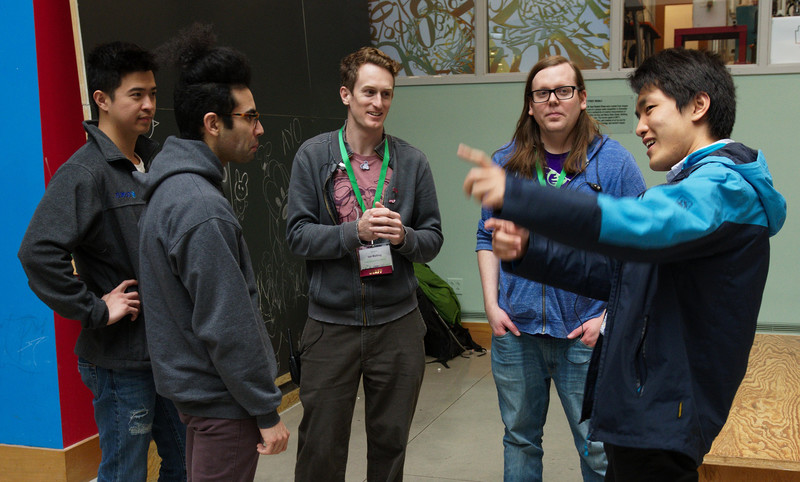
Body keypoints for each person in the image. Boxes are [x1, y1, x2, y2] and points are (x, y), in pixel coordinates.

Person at [461, 48, 786, 481]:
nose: (640, 128)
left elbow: (640, 224)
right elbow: (624, 276)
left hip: (665, 410)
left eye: (649, 109)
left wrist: (520, 195)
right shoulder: (697, 184)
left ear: (698, 105)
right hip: (646, 409)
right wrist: (530, 253)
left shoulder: (723, 188)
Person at [18, 41, 186, 481]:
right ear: (102, 100)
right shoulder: (85, 172)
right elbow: (37, 251)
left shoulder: (156, 160)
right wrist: (95, 309)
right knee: (125, 472)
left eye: (152, 92)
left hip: (168, 353)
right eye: (136, 94)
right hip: (120, 362)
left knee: (187, 464)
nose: (149, 104)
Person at [476, 55, 646, 482]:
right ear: (530, 105)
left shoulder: (614, 164)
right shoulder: (505, 164)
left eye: (564, 90)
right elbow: (487, 238)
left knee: (598, 449)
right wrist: (491, 305)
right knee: (519, 440)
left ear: (582, 99)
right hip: (517, 334)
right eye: (541, 92)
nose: (553, 100)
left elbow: (639, 248)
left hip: (584, 336)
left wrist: (607, 318)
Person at [136, 25, 289, 482]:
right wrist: (265, 409)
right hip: (223, 405)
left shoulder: (169, 190)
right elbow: (227, 324)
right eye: (251, 117)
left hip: (200, 400)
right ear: (213, 123)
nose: (260, 128)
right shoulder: (201, 208)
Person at [286, 46, 443, 482]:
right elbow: (296, 235)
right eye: (368, 92)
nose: (378, 103)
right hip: (330, 325)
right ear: (346, 95)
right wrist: (353, 232)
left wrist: (404, 237)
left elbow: (432, 239)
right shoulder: (312, 157)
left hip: (397, 325)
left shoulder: (411, 162)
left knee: (391, 445)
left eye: (387, 94)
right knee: (320, 448)